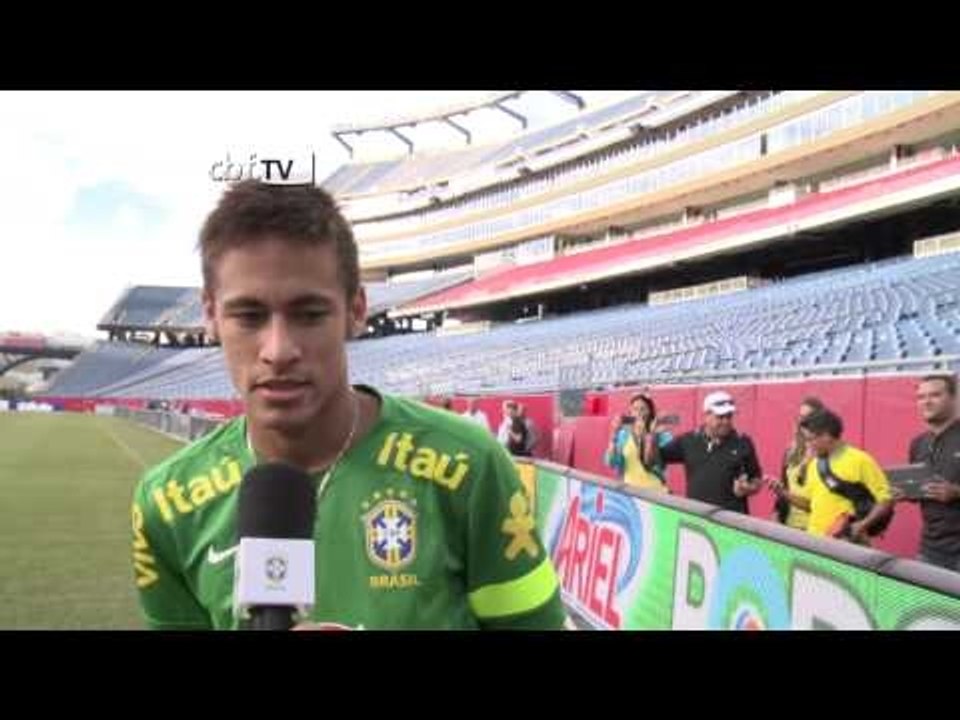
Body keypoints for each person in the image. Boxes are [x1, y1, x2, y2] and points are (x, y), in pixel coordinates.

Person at [130, 180, 567, 630]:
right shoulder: (166, 504)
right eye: (249, 316)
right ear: (210, 316)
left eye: (309, 314)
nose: (278, 349)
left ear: (356, 310)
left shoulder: (470, 466)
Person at [798, 408, 894, 545]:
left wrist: (862, 525)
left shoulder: (860, 460)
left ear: (826, 435)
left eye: (810, 439)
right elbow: (809, 504)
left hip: (846, 544)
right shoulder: (814, 463)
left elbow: (886, 500)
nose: (808, 445)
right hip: (815, 543)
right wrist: (782, 493)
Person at [660, 391, 763, 512]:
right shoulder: (688, 441)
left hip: (732, 522)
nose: (726, 422)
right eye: (720, 417)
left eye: (729, 416)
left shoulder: (743, 442)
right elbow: (654, 458)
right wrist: (651, 435)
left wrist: (748, 488)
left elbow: (756, 478)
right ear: (707, 415)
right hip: (698, 519)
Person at [899, 374, 960, 571]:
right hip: (930, 550)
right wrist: (905, 493)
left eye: (935, 395)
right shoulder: (918, 444)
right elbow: (921, 490)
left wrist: (956, 492)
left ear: (953, 398)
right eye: (921, 397)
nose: (927, 402)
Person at [768, 397, 824, 531]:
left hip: (814, 529)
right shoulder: (791, 451)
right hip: (789, 526)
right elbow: (785, 487)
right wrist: (776, 514)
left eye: (808, 416)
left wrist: (783, 493)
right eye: (800, 416)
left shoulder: (825, 454)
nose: (802, 421)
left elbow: (818, 503)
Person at [604, 392, 673, 491]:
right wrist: (614, 435)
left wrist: (650, 436)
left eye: (643, 409)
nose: (639, 413)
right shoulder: (624, 435)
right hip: (631, 496)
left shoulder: (662, 435)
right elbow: (611, 462)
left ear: (650, 412)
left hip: (656, 493)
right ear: (630, 412)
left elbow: (658, 462)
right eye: (635, 409)